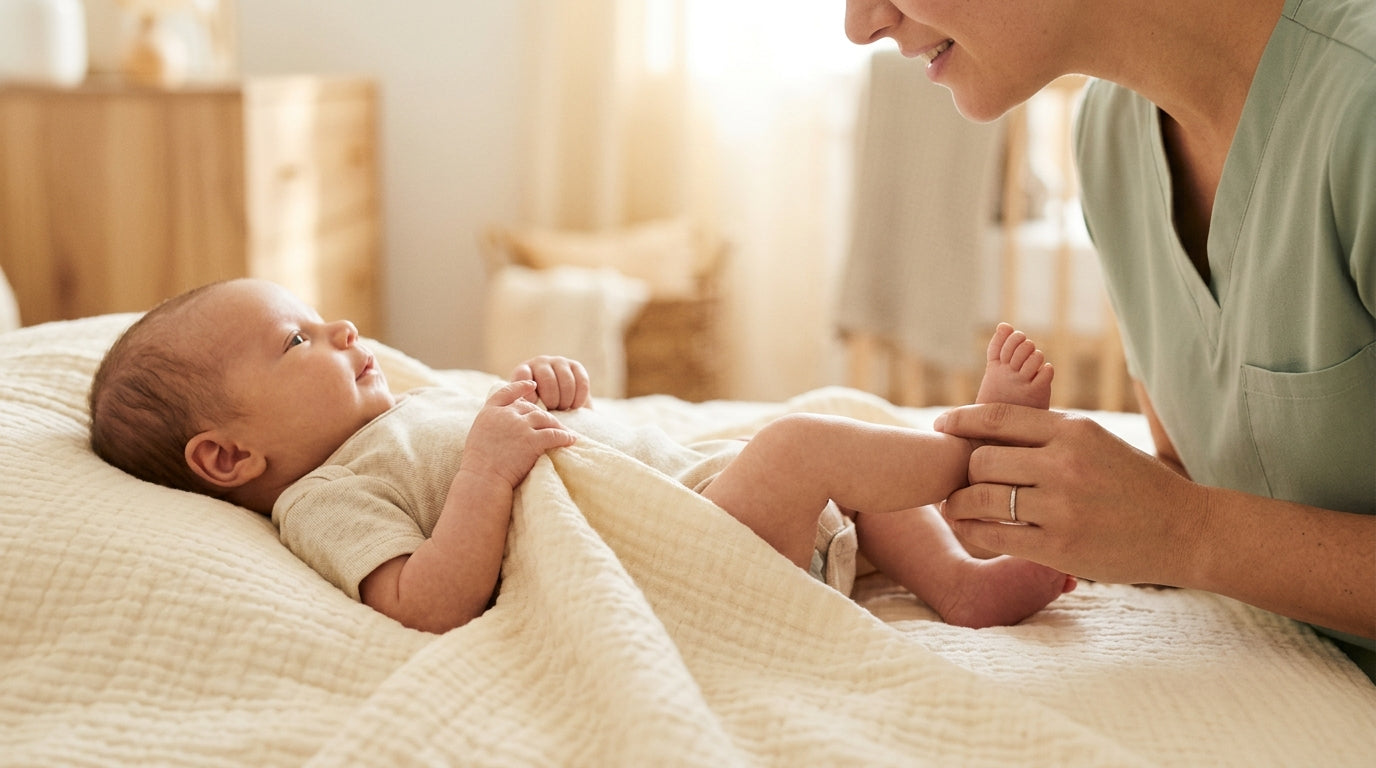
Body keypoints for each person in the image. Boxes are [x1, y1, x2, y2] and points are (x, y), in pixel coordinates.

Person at [842, 0, 1376, 675]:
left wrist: (1187, 533)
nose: (861, 24)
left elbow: (1198, 520)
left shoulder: (1362, 101)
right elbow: (1196, 475)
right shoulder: (1112, 134)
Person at [88, 278, 1074, 633]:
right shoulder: (327, 497)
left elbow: (579, 455)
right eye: (296, 340)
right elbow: (426, 601)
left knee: (812, 439)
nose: (341, 326)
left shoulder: (418, 407)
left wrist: (555, 403)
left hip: (704, 510)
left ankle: (957, 584)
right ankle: (980, 453)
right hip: (692, 567)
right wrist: (484, 469)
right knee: (799, 445)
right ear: (225, 457)